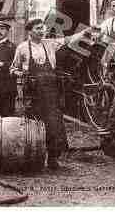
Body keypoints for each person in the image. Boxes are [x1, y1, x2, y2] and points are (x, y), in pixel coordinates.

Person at [11, 18, 91, 170]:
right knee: (34, 127)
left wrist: (84, 32)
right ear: (30, 31)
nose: (42, 31)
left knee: (54, 126)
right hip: (33, 94)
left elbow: (69, 40)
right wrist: (21, 73)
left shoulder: (50, 44)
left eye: (43, 28)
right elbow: (13, 69)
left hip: (51, 93)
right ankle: (34, 158)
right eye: (38, 28)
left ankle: (53, 159)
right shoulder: (22, 48)